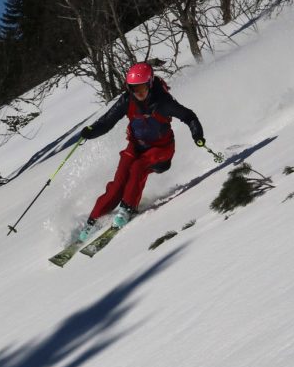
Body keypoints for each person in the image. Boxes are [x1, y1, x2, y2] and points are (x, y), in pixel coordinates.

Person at [77, 62, 205, 241]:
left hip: (161, 150)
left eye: (143, 89)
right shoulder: (127, 100)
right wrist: (90, 132)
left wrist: (197, 134)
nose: (139, 94)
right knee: (119, 181)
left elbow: (189, 116)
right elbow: (107, 122)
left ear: (150, 84)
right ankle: (93, 220)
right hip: (136, 146)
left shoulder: (162, 102)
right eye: (134, 89)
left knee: (138, 167)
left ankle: (127, 209)